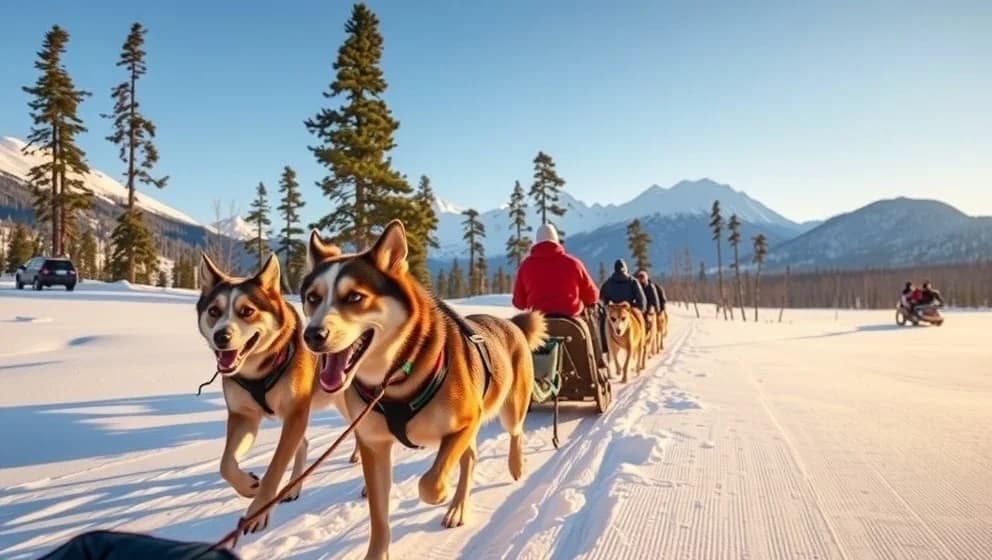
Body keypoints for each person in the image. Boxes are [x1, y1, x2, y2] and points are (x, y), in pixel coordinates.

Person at [512, 223, 606, 366]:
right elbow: (592, 296)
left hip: (538, 325)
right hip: (571, 321)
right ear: (556, 241)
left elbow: (519, 302)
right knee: (590, 330)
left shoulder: (525, 266)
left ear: (536, 243)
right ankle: (598, 363)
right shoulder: (573, 263)